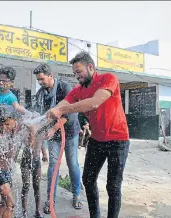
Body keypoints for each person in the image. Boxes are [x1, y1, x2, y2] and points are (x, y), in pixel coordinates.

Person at [47, 51, 130, 218]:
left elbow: (94, 102)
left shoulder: (108, 79)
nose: (76, 76)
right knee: (88, 180)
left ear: (90, 67)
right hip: (96, 140)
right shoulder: (78, 90)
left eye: (79, 72)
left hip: (118, 141)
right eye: (74, 73)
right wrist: (49, 114)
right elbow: (64, 103)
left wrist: (61, 110)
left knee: (113, 186)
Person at [0, 66, 36, 207]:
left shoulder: (11, 97)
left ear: (11, 83)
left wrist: (31, 115)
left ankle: (4, 195)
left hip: (4, 134)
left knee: (6, 161)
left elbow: (17, 108)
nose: (1, 83)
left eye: (4, 81)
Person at [32, 63, 82, 212]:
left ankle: (77, 195)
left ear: (50, 76)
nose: (40, 82)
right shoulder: (41, 94)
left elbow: (71, 112)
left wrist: (53, 128)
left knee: (72, 163)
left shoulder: (64, 87)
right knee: (53, 165)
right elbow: (40, 115)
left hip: (70, 131)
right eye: (38, 80)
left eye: (42, 79)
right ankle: (50, 200)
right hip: (55, 134)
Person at [0, 105, 36, 218]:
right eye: (1, 124)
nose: (4, 127)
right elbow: (8, 153)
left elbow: (30, 145)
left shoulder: (15, 131)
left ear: (14, 120)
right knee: (10, 204)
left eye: (7, 124)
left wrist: (31, 131)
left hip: (7, 172)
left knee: (3, 202)